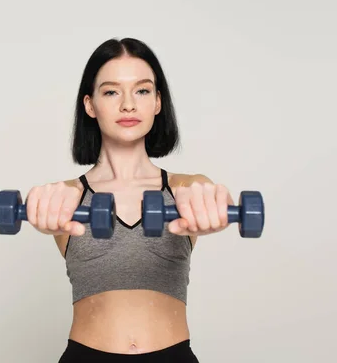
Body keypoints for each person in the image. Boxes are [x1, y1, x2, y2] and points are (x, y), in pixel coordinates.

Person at [25, 38, 235, 362]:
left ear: (157, 102)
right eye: (111, 91)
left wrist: (210, 202)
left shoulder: (185, 189)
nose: (128, 105)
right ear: (90, 105)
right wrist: (39, 207)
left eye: (142, 90)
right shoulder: (66, 197)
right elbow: (43, 203)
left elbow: (210, 194)